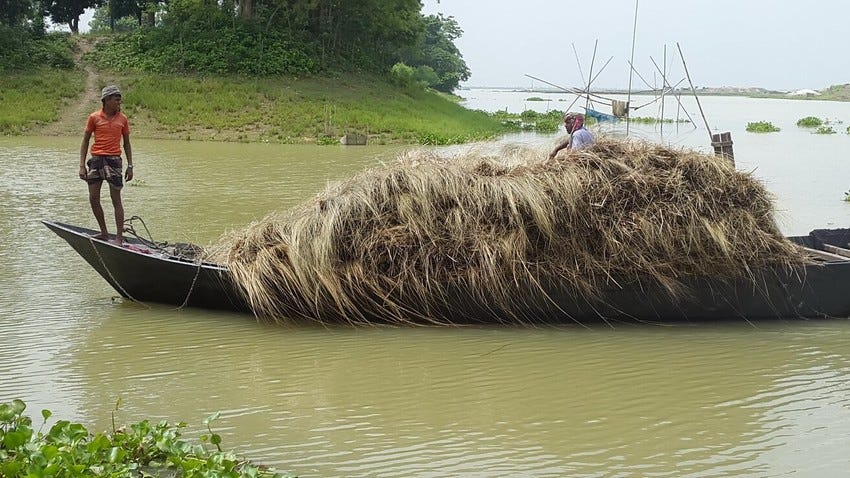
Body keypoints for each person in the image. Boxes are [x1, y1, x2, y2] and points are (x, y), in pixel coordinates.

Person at [79, 85, 134, 245]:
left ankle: (118, 238)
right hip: (96, 160)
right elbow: (85, 140)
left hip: (114, 161)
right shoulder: (94, 117)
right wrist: (82, 165)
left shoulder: (122, 119)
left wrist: (130, 166)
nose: (119, 102)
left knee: (115, 199)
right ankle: (103, 232)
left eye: (119, 100)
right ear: (107, 100)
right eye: (116, 99)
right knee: (93, 198)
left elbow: (127, 144)